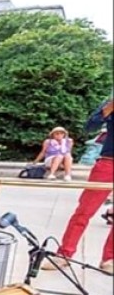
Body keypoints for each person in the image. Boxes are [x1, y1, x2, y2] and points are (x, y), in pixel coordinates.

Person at [49, 97, 114, 274]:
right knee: (84, 211)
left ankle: (109, 258)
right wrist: (108, 109)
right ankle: (64, 254)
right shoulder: (110, 104)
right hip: (108, 163)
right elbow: (90, 127)